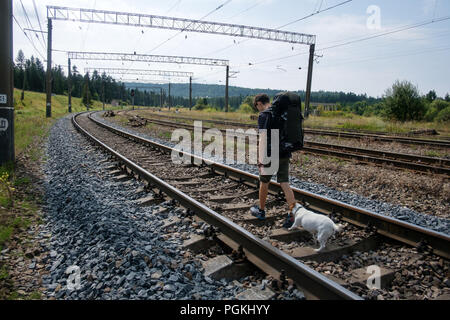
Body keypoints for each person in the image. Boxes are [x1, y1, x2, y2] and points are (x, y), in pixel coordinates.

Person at [250, 93, 297, 229]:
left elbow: (263, 138)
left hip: (270, 154)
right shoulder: (283, 113)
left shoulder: (264, 115)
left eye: (256, 106)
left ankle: (261, 210)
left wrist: (260, 159)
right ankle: (292, 213)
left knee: (264, 181)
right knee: (284, 182)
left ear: (259, 103)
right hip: (284, 152)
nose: (257, 109)